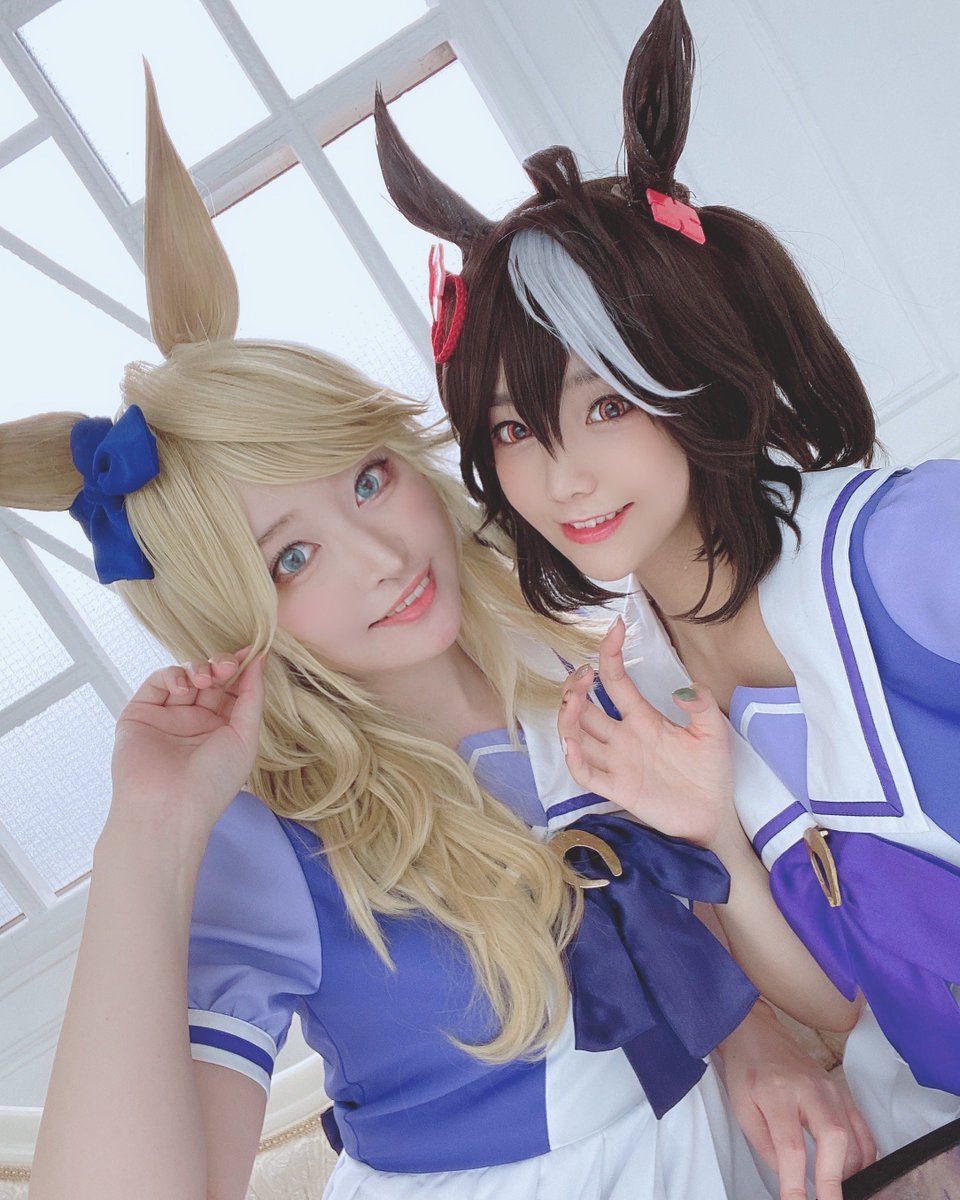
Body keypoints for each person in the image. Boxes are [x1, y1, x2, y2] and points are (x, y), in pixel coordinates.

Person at [8, 68, 868, 1200]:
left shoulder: (586, 659)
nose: (382, 555)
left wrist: (747, 1037)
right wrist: (145, 834)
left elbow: (673, 916)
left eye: (368, 478)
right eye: (291, 557)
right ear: (233, 619)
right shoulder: (271, 834)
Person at [374, 0, 960, 1164]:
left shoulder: (906, 549)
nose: (564, 477)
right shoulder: (639, 697)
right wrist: (715, 840)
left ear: (688, 375)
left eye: (605, 406)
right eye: (515, 431)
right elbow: (846, 1006)